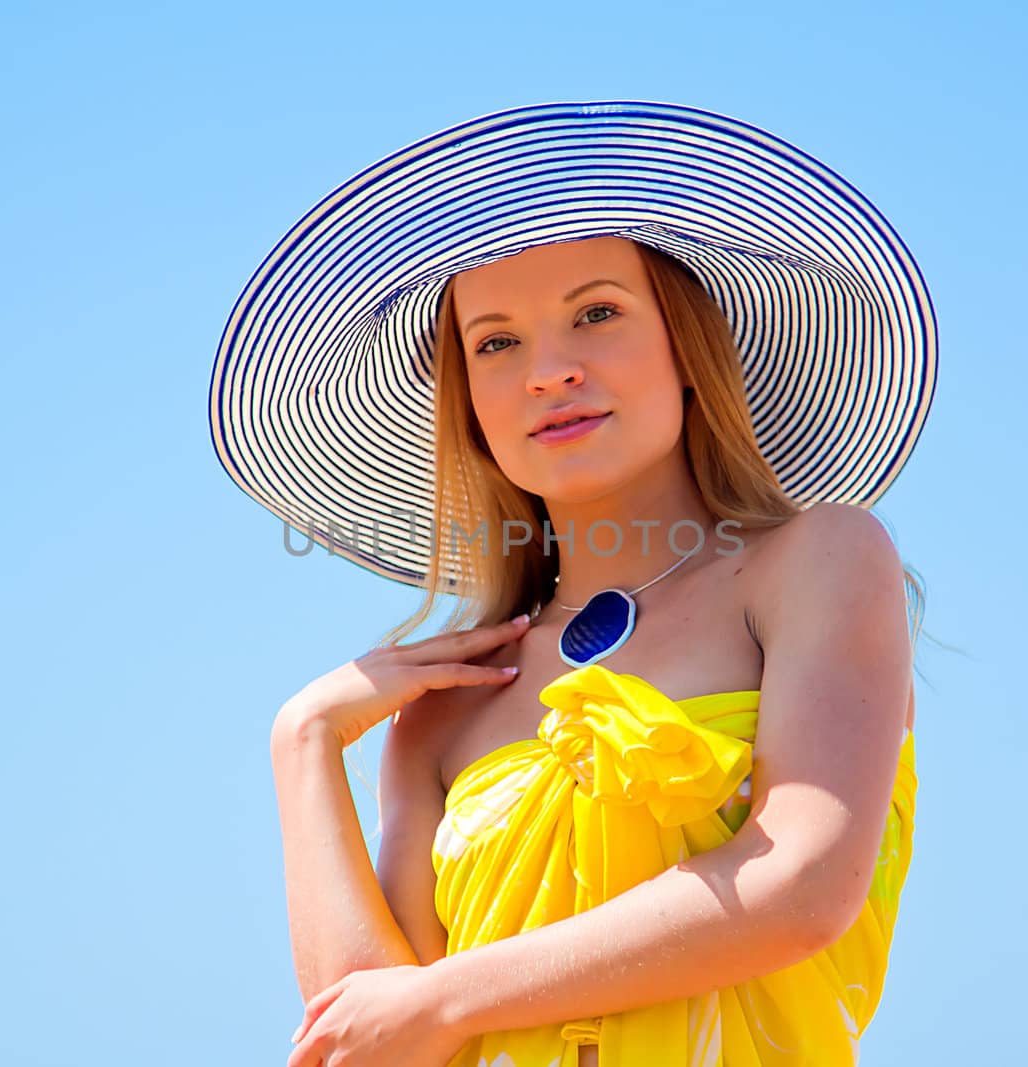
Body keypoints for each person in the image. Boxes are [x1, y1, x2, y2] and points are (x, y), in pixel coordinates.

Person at [213, 101, 938, 1066]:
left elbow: (799, 883)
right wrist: (301, 741)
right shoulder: (444, 713)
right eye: (496, 342)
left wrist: (444, 995)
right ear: (468, 402)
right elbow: (372, 1045)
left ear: (686, 350)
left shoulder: (817, 562)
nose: (548, 371)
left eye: (597, 314)